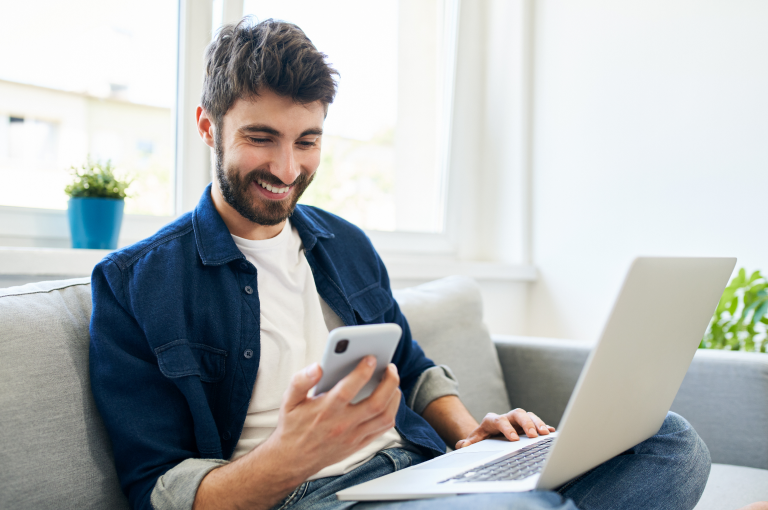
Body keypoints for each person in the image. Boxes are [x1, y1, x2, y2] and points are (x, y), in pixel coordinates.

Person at [89, 18, 711, 510]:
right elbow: (158, 491)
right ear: (208, 126)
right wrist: (293, 455)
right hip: (311, 498)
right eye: (260, 139)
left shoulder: (344, 242)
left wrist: (472, 436)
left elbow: (409, 366)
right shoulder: (135, 284)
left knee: (668, 442)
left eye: (307, 142)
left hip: (422, 471)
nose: (286, 170)